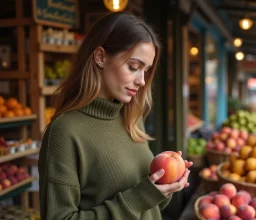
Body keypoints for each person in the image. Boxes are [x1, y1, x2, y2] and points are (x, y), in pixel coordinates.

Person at [38, 12, 192, 220]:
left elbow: (148, 207)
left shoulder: (131, 117)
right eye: (134, 67)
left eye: (145, 70)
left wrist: (165, 185)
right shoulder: (64, 132)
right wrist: (141, 196)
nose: (142, 81)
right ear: (100, 57)